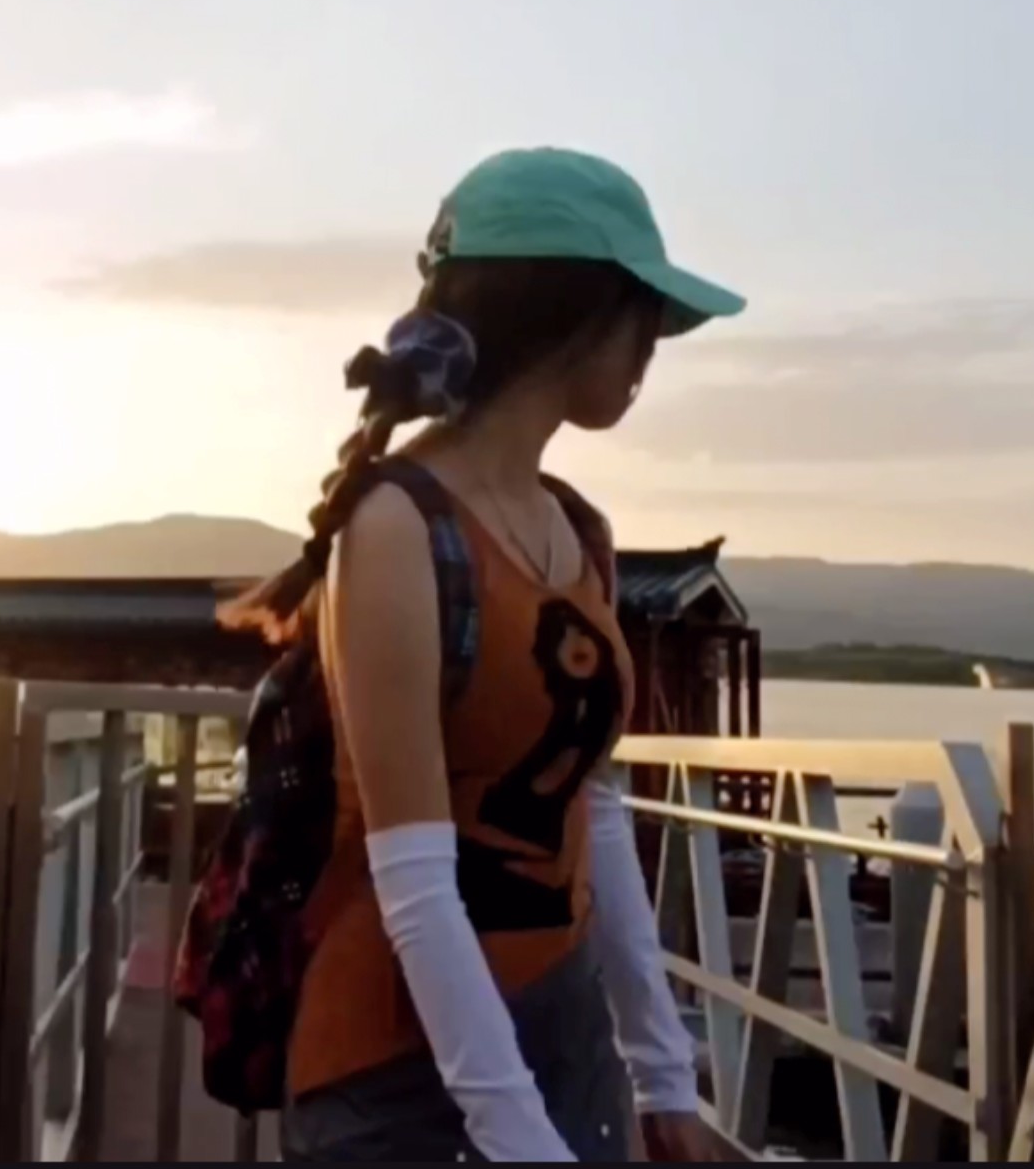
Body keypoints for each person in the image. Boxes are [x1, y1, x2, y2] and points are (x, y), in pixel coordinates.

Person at [222, 147, 745, 1162]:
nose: (650, 351)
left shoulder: (577, 531)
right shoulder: (396, 526)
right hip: (397, 1067)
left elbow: (593, 807)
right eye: (645, 318)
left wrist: (660, 1068)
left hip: (561, 1032)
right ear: (578, 310)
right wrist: (519, 1138)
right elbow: (415, 879)